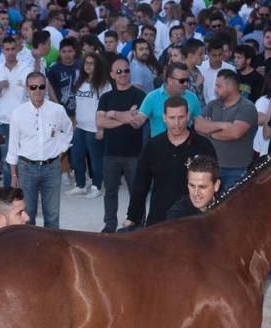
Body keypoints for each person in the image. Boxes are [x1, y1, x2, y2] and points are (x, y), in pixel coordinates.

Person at [124, 95, 216, 233]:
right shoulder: (153, 146)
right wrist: (132, 217)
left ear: (188, 116)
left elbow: (213, 183)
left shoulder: (203, 146)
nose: (176, 123)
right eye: (172, 118)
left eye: (181, 117)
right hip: (159, 219)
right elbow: (140, 184)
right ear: (164, 118)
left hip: (194, 220)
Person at [6, 70, 73, 229]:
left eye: (41, 86)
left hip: (52, 168)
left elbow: (68, 130)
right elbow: (13, 147)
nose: (37, 90)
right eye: (33, 87)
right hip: (27, 168)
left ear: (46, 87)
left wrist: (60, 149)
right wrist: (14, 175)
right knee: (27, 214)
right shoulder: (17, 114)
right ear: (27, 89)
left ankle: (52, 251)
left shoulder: (57, 110)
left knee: (52, 214)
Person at [96, 55, 147, 233]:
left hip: (134, 153)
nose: (123, 74)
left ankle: (138, 223)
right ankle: (110, 225)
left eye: (126, 70)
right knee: (110, 192)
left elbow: (137, 122)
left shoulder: (140, 95)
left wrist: (114, 114)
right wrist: (126, 116)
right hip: (111, 153)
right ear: (112, 74)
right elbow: (100, 123)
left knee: (136, 192)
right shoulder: (106, 97)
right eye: (119, 71)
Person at [194, 69, 257, 191]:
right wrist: (223, 125)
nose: (215, 90)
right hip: (211, 168)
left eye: (219, 86)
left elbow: (235, 133)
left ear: (231, 87)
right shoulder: (213, 105)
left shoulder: (247, 107)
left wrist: (209, 130)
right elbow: (198, 125)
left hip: (237, 169)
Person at [0, 35, 31, 187]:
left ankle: (24, 193)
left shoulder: (27, 69)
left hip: (23, 120)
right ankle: (8, 193)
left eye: (13, 49)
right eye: (7, 49)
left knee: (24, 159)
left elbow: (34, 92)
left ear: (18, 49)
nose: (11, 52)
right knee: (7, 159)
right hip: (3, 121)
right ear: (3, 50)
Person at [69, 51, 111, 198]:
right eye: (86, 63)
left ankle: (96, 186)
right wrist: (74, 120)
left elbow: (106, 108)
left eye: (91, 63)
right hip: (80, 126)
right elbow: (77, 103)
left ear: (98, 65)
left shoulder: (104, 84)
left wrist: (102, 127)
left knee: (95, 159)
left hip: (95, 128)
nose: (88, 66)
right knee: (76, 157)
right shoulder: (80, 81)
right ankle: (80, 185)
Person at [136, 61, 202, 137]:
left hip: (185, 146)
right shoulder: (152, 97)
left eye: (187, 80)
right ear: (169, 80)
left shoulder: (192, 97)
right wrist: (126, 117)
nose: (186, 84)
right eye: (182, 81)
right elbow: (139, 121)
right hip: (158, 147)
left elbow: (199, 123)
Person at [164, 153, 221, 219]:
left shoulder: (227, 209)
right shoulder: (177, 216)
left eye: (202, 187)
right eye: (192, 186)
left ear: (216, 185)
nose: (196, 193)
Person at [199, 37, 235, 103]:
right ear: (208, 54)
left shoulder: (231, 69)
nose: (217, 58)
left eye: (220, 54)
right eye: (214, 55)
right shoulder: (200, 68)